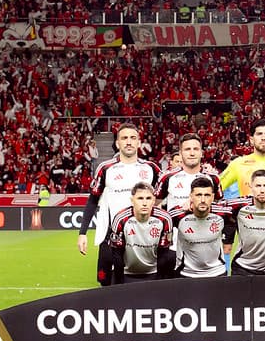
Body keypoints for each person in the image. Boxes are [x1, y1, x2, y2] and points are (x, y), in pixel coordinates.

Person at [78, 123, 161, 286]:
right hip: (111, 236)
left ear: (139, 142)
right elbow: (93, 200)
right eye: (124, 138)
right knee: (107, 284)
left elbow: (162, 197)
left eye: (133, 138)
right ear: (117, 143)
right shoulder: (106, 168)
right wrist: (82, 233)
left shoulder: (151, 168)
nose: (128, 142)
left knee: (143, 283)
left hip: (143, 236)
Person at [168, 176, 234, 278]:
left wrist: (228, 241)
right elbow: (162, 221)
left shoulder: (223, 213)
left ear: (212, 197)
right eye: (198, 195)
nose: (203, 200)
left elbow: (236, 216)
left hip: (217, 273)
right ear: (191, 196)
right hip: (186, 274)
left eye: (207, 195)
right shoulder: (178, 215)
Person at [108, 182, 174, 284]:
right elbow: (117, 255)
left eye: (148, 198)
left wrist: (160, 281)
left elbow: (163, 254)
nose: (144, 203)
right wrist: (120, 283)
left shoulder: (165, 219)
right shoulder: (121, 219)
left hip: (154, 273)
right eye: (140, 198)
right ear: (132, 200)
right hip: (126, 273)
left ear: (153, 201)